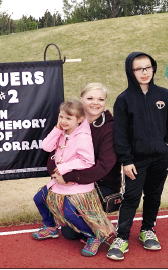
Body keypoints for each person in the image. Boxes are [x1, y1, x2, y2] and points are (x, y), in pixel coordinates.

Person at [107, 52, 168, 260]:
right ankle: (121, 237)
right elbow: (120, 135)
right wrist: (126, 160)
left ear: (153, 68)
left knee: (154, 195)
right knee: (131, 197)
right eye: (138, 69)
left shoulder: (165, 96)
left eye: (147, 67)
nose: (144, 72)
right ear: (131, 71)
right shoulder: (123, 100)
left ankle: (147, 229)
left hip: (161, 157)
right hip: (135, 161)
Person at [33, 98, 115, 257]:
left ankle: (93, 236)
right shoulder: (62, 132)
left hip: (77, 185)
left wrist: (64, 167)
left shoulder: (83, 136)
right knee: (39, 198)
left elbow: (88, 161)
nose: (63, 121)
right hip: (59, 183)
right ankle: (50, 227)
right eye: (61, 117)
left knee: (70, 213)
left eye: (68, 118)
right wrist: (57, 129)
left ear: (79, 120)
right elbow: (46, 147)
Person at [47, 83, 122, 241]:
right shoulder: (70, 121)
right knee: (69, 234)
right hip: (72, 182)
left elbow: (104, 166)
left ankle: (100, 230)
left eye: (100, 99)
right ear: (81, 100)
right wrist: (55, 173)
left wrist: (69, 177)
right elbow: (54, 154)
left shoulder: (111, 127)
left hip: (101, 185)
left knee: (71, 219)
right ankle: (80, 224)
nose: (95, 102)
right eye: (90, 98)